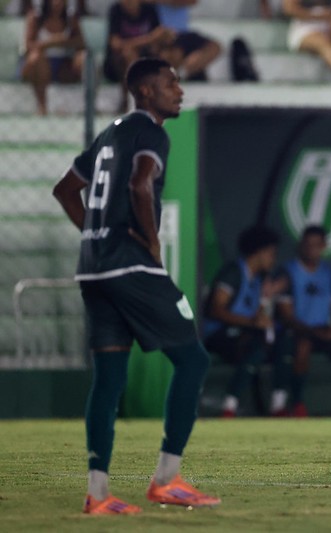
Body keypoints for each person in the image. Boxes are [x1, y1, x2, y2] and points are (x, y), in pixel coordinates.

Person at [51, 57, 219, 514]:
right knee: (193, 359)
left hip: (94, 270)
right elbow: (141, 186)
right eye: (171, 83)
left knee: (108, 381)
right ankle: (167, 479)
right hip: (131, 268)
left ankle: (98, 494)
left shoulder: (110, 133)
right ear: (146, 92)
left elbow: (65, 189)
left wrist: (95, 234)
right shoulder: (151, 132)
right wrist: (150, 243)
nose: (179, 90)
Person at [273, 225, 331, 416]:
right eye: (308, 244)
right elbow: (286, 317)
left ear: (324, 246)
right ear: (301, 246)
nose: (312, 249)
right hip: (297, 333)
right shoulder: (287, 272)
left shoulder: (330, 274)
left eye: (316, 245)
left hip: (322, 332)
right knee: (302, 345)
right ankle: (297, 404)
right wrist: (314, 332)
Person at [203, 226, 281, 418]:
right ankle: (229, 405)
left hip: (243, 331)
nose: (273, 259)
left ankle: (278, 404)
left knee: (280, 341)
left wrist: (264, 308)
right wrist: (252, 323)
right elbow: (215, 310)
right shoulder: (234, 272)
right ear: (259, 252)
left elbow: (256, 314)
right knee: (255, 344)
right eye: (271, 254)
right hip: (218, 333)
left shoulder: (258, 280)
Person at [103, 0, 175, 111]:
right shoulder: (116, 11)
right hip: (117, 66)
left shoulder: (149, 9)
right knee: (129, 55)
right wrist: (149, 38)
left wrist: (160, 38)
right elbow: (116, 45)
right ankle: (132, 99)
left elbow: (159, 38)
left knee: (168, 55)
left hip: (145, 57)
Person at [20, 0, 85, 115]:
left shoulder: (71, 19)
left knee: (84, 58)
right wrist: (50, 43)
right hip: (40, 65)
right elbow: (29, 45)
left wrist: (62, 42)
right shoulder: (36, 18)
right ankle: (42, 106)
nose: (57, 3)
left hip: (64, 65)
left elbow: (81, 43)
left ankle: (88, 106)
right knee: (36, 58)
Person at [282, 0, 331, 83]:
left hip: (330, 23)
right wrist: (319, 16)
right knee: (323, 43)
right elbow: (289, 9)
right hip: (305, 26)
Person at [145, 0, 221, 81]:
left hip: (183, 33)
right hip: (161, 34)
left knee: (214, 47)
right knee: (172, 53)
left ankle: (186, 72)